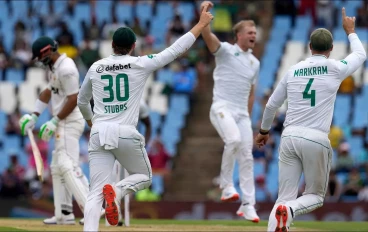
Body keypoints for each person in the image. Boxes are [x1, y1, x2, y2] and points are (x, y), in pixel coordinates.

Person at [77, 5, 213, 231]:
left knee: (95, 191)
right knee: (144, 176)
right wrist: (200, 25)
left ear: (112, 45)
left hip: (99, 132)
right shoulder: (139, 63)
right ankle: (117, 192)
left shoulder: (96, 67)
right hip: (125, 132)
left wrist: (92, 122)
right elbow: (175, 50)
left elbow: (82, 101)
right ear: (133, 47)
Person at [255, 8, 366, 231]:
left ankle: (282, 216)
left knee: (283, 198)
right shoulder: (335, 68)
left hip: (289, 136)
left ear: (309, 47)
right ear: (331, 49)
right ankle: (291, 211)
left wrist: (264, 132)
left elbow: (271, 105)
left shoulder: (293, 70)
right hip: (316, 137)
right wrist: (351, 31)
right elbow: (360, 55)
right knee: (315, 196)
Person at [18, 36, 93, 225]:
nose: (39, 62)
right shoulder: (56, 68)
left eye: (39, 57)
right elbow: (47, 92)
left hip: (69, 122)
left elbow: (74, 98)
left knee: (68, 166)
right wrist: (34, 115)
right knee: (57, 168)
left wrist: (54, 121)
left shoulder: (67, 69)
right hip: (62, 122)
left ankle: (93, 209)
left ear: (46, 52)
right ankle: (63, 214)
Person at [199, 1, 260, 222]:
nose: (254, 35)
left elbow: (252, 93)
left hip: (242, 114)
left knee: (247, 157)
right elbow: (208, 37)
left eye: (255, 32)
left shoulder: (255, 63)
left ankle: (248, 205)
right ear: (239, 36)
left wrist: (249, 120)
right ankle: (225, 186)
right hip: (221, 108)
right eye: (250, 32)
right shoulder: (225, 51)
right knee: (232, 140)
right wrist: (204, 16)